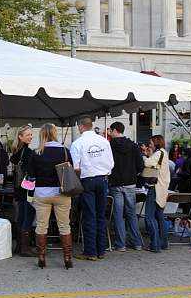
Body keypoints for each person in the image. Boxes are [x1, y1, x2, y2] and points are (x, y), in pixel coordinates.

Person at [27, 123, 74, 269]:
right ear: (55, 134)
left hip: (42, 193)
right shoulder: (65, 151)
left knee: (41, 226)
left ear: (42, 134)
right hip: (62, 193)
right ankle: (67, 257)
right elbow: (70, 170)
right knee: (64, 226)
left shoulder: (36, 152)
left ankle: (41, 256)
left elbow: (31, 176)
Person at [71, 115, 114, 261]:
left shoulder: (77, 144)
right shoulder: (104, 141)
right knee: (101, 215)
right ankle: (101, 250)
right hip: (103, 179)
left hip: (87, 180)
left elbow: (76, 168)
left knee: (89, 216)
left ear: (81, 126)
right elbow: (111, 163)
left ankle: (90, 251)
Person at [107, 121, 144, 251]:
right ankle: (136, 242)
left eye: (110, 131)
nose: (109, 133)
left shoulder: (110, 145)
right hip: (130, 183)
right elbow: (140, 165)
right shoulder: (133, 145)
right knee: (131, 214)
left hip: (116, 183)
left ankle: (120, 244)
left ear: (115, 130)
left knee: (118, 214)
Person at [9, 125, 36, 257]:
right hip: (27, 187)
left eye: (31, 134)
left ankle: (20, 246)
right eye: (27, 135)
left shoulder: (16, 151)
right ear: (20, 137)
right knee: (27, 216)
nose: (30, 137)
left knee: (20, 216)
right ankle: (25, 248)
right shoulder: (27, 152)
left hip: (18, 188)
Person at [142, 135, 170, 253]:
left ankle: (155, 244)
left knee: (149, 217)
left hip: (155, 188)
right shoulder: (163, 153)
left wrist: (144, 155)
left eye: (151, 142)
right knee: (159, 217)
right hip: (162, 189)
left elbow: (148, 163)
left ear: (156, 142)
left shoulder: (159, 153)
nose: (149, 144)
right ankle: (163, 242)